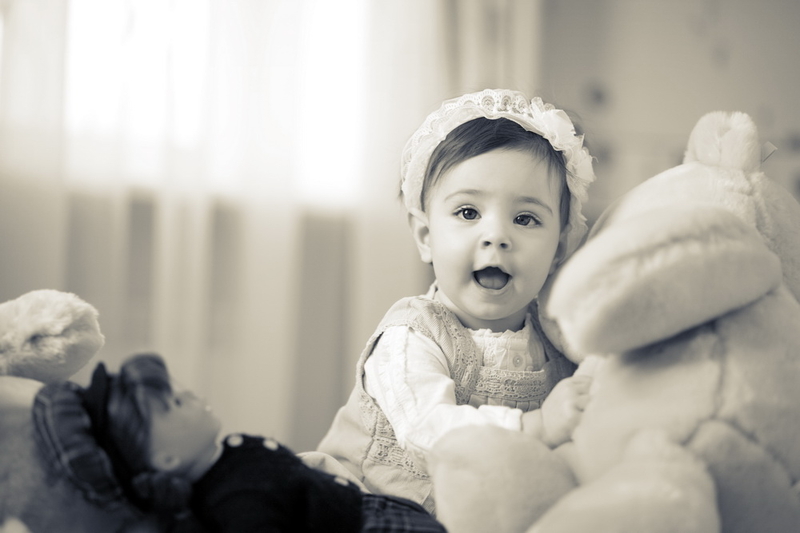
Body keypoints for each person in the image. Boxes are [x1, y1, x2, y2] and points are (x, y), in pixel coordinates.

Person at [316, 88, 597, 513]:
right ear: (426, 236)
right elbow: (432, 432)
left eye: (525, 218)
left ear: (558, 249)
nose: (496, 235)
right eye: (468, 213)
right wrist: (538, 425)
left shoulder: (557, 339)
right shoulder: (411, 336)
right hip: (373, 504)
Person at [33, 353, 447, 533]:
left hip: (374, 508)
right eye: (175, 403)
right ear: (166, 458)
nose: (189, 394)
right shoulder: (234, 499)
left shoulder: (229, 457)